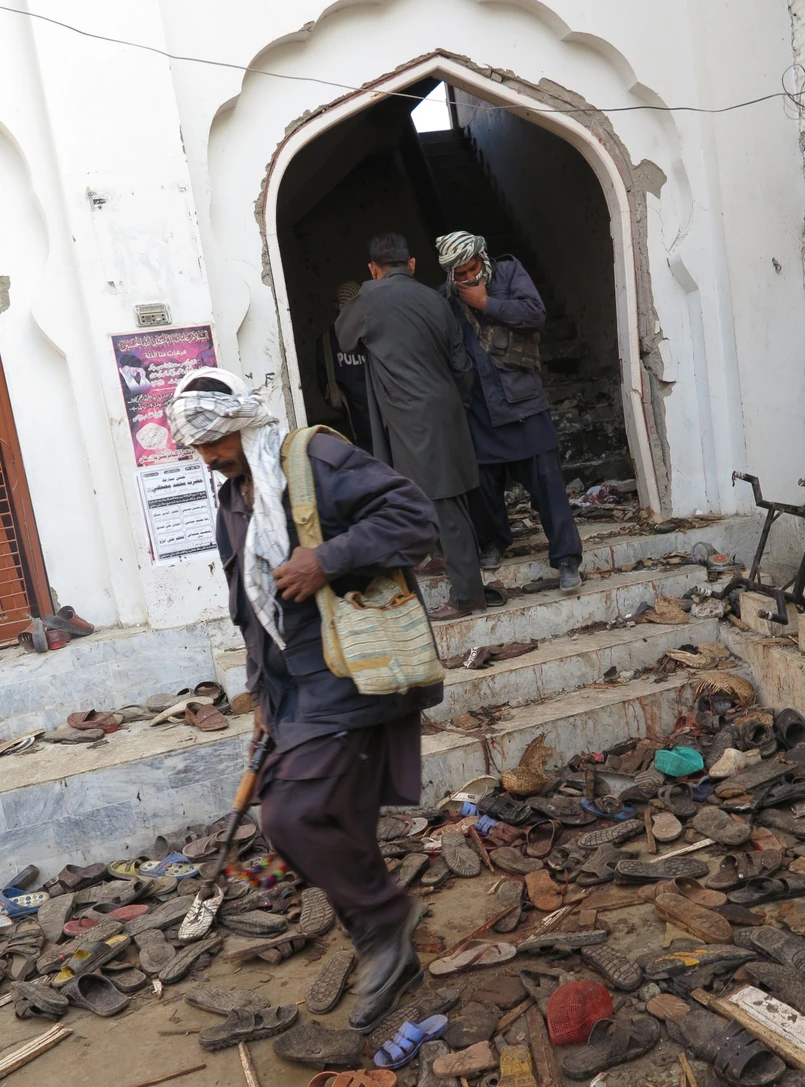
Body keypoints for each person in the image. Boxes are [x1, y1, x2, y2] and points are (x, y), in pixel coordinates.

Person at [166, 367, 442, 1033]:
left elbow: (415, 519)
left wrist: (328, 558)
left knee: (291, 817)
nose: (208, 457)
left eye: (214, 440)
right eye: (198, 447)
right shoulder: (233, 498)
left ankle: (386, 923)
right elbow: (249, 610)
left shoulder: (315, 459)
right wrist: (260, 696)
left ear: (242, 421)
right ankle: (388, 950)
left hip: (350, 670)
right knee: (331, 817)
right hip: (292, 686)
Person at [336, 232, 486, 621]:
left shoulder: (368, 298)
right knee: (428, 494)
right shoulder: (436, 299)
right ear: (412, 264)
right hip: (445, 408)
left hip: (411, 416)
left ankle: (469, 595)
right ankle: (441, 558)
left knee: (444, 502)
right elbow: (461, 363)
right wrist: (457, 404)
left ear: (373, 268)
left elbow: (344, 339)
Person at [436, 231, 583, 591]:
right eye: (459, 274)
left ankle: (566, 559)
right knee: (483, 488)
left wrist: (487, 303)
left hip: (523, 403)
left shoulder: (509, 272)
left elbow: (535, 315)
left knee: (548, 487)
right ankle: (492, 542)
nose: (467, 277)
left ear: (482, 258)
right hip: (479, 410)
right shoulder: (445, 298)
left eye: (472, 269)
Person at [315, 281, 373, 453]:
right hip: (380, 425)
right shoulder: (373, 332)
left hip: (357, 428)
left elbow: (324, 387)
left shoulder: (326, 341)